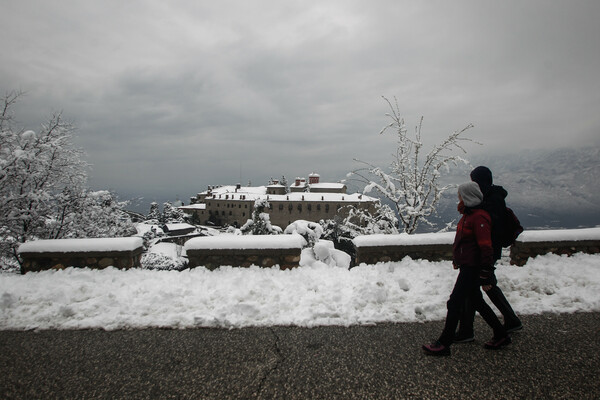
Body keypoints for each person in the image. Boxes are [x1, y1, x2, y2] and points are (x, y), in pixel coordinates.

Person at [422, 182, 511, 356]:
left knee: (454, 303)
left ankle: (444, 343)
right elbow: (465, 243)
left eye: (460, 195)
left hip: (473, 268)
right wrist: (458, 259)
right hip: (467, 265)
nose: (458, 197)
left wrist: (485, 275)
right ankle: (501, 334)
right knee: (477, 302)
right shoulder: (468, 215)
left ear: (467, 196)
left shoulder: (479, 218)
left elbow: (486, 248)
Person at [454, 166, 522, 343]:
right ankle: (509, 320)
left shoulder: (490, 202)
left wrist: (484, 259)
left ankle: (469, 330)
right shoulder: (492, 198)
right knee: (481, 288)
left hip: (484, 253)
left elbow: (485, 231)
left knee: (480, 288)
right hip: (485, 252)